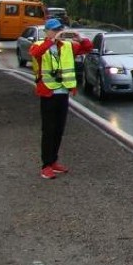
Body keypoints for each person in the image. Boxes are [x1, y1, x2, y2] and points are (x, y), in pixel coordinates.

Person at [28, 18, 92, 179]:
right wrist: (51, 41)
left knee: (58, 130)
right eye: (54, 30)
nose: (58, 33)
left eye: (59, 30)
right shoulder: (40, 45)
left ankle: (54, 160)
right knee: (48, 130)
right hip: (48, 93)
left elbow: (87, 48)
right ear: (47, 32)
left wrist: (80, 37)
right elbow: (35, 54)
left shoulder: (68, 46)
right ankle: (46, 165)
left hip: (63, 93)